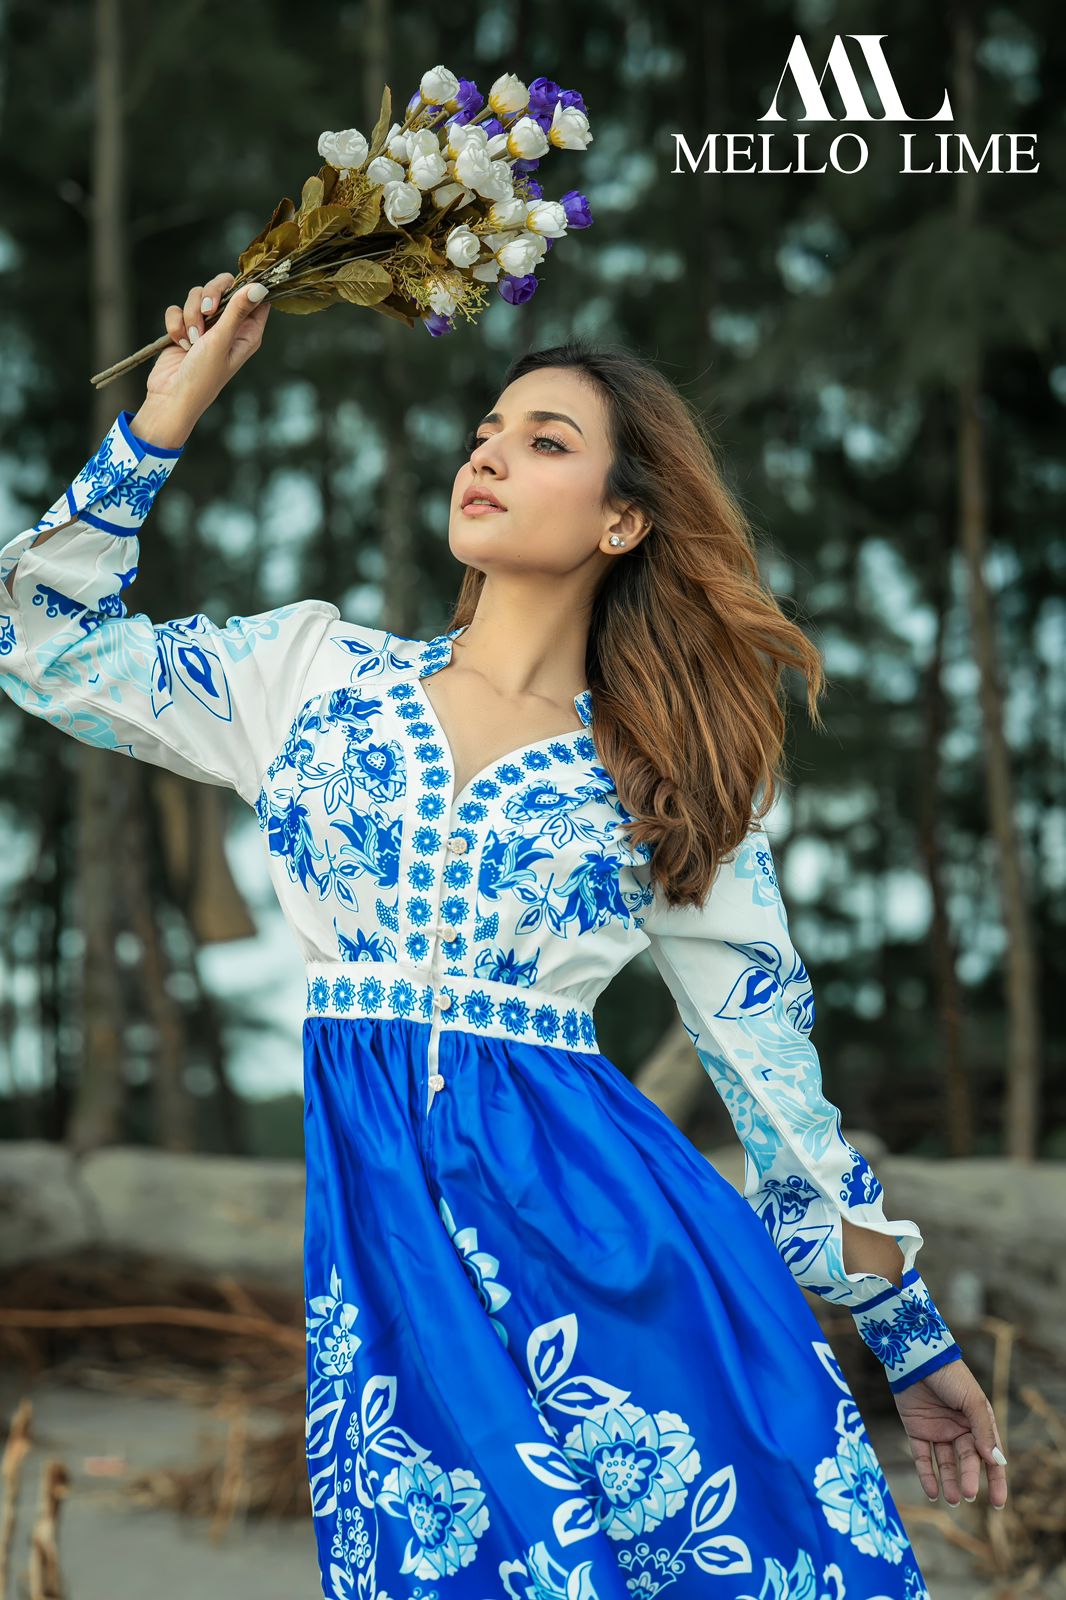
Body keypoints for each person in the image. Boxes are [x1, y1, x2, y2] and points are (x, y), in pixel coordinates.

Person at [0, 273, 1008, 1600]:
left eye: (545, 441)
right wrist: (166, 415)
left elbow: (771, 1083)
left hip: (615, 1248)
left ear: (621, 520)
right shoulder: (313, 677)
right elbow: (39, 638)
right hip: (391, 1262)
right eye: (489, 427)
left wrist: (908, 1336)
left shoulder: (668, 775)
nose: (490, 451)